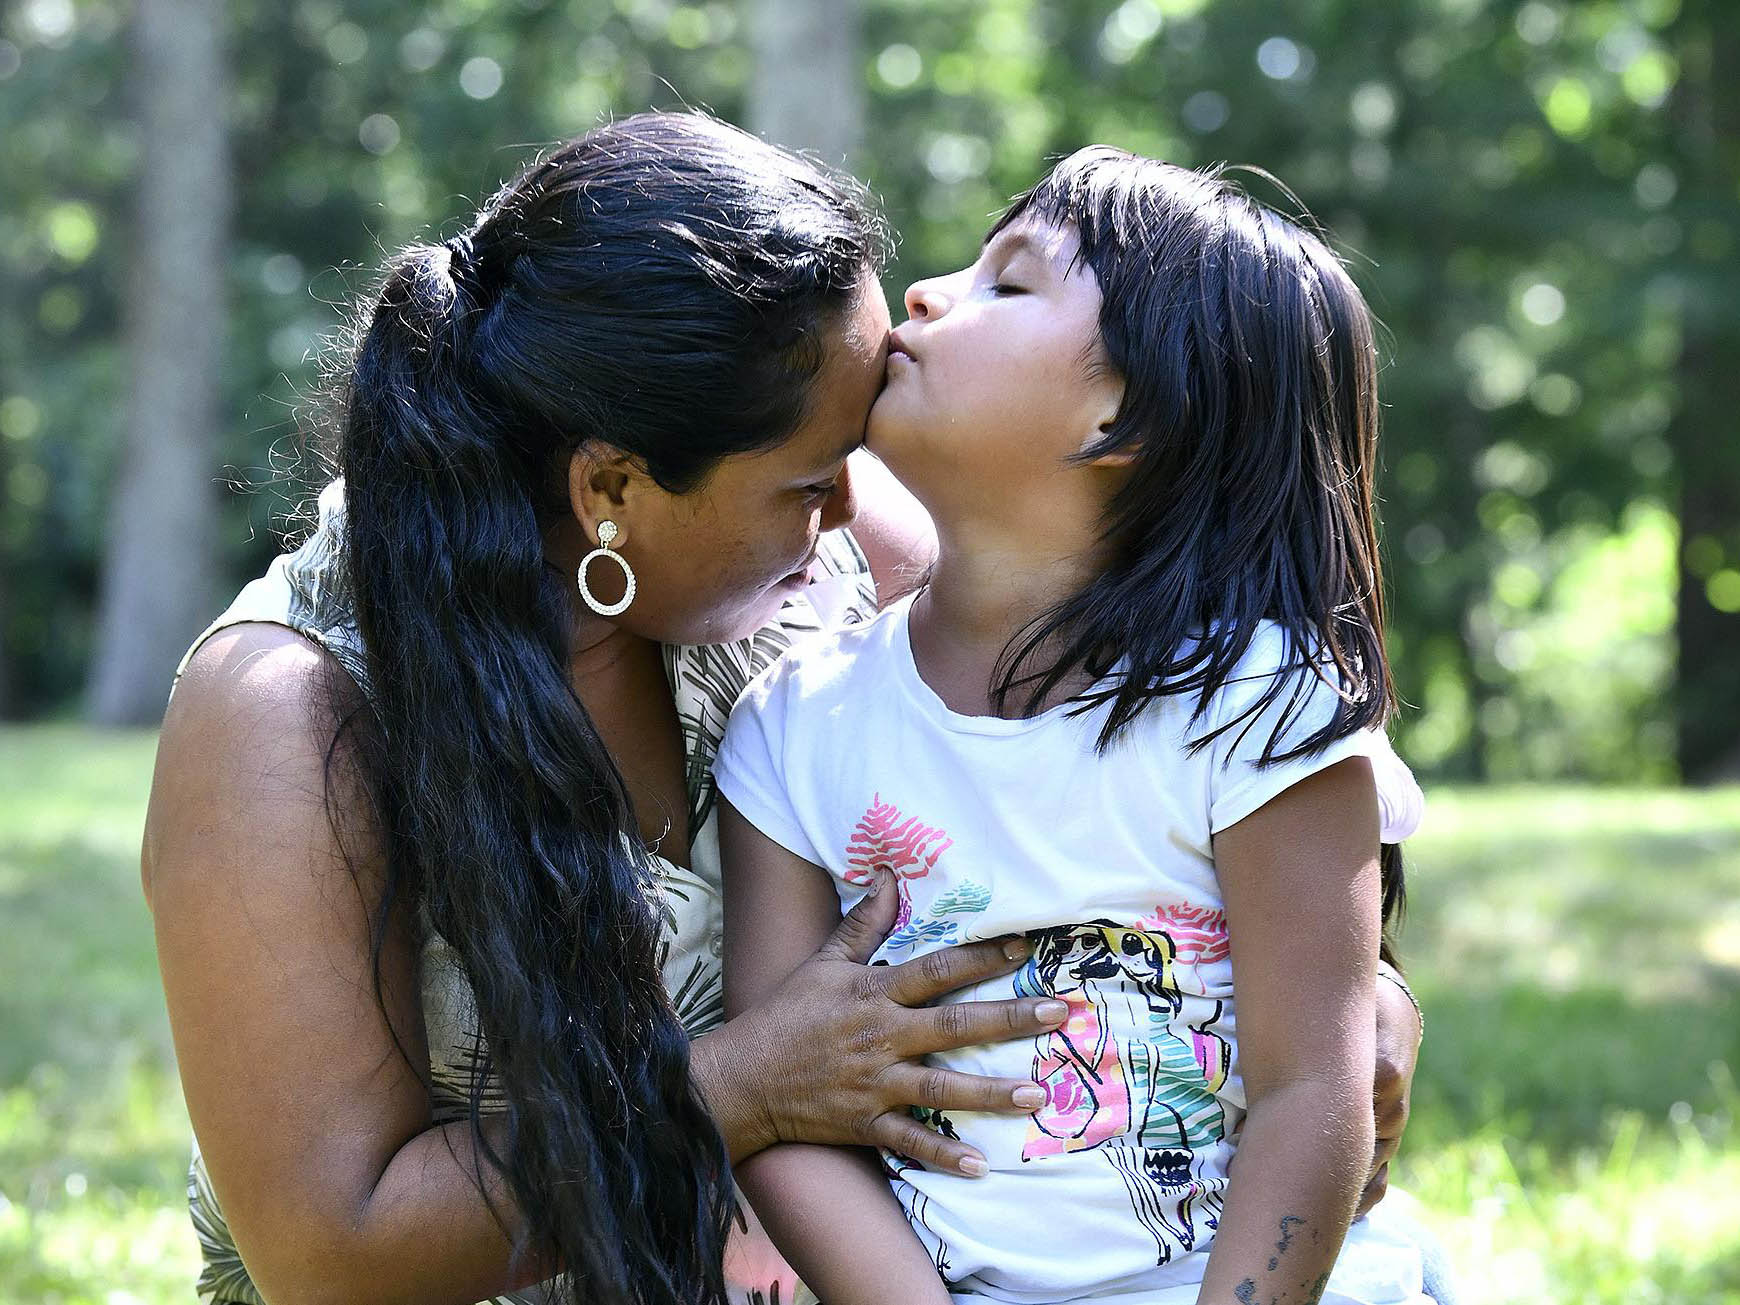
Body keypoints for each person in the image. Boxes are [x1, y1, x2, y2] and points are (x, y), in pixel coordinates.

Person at [141, 114, 1427, 1305]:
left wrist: (1350, 1009)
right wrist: (741, 1089)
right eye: (814, 479)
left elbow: (1165, 837)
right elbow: (329, 1248)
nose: (850, 513)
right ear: (612, 490)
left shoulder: (855, 563)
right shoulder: (289, 715)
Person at [715, 147, 1443, 1305]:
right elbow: (786, 1108)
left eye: (1008, 282)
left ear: (1129, 407)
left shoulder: (1260, 705)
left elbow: (1319, 1088)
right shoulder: (793, 728)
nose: (921, 293)